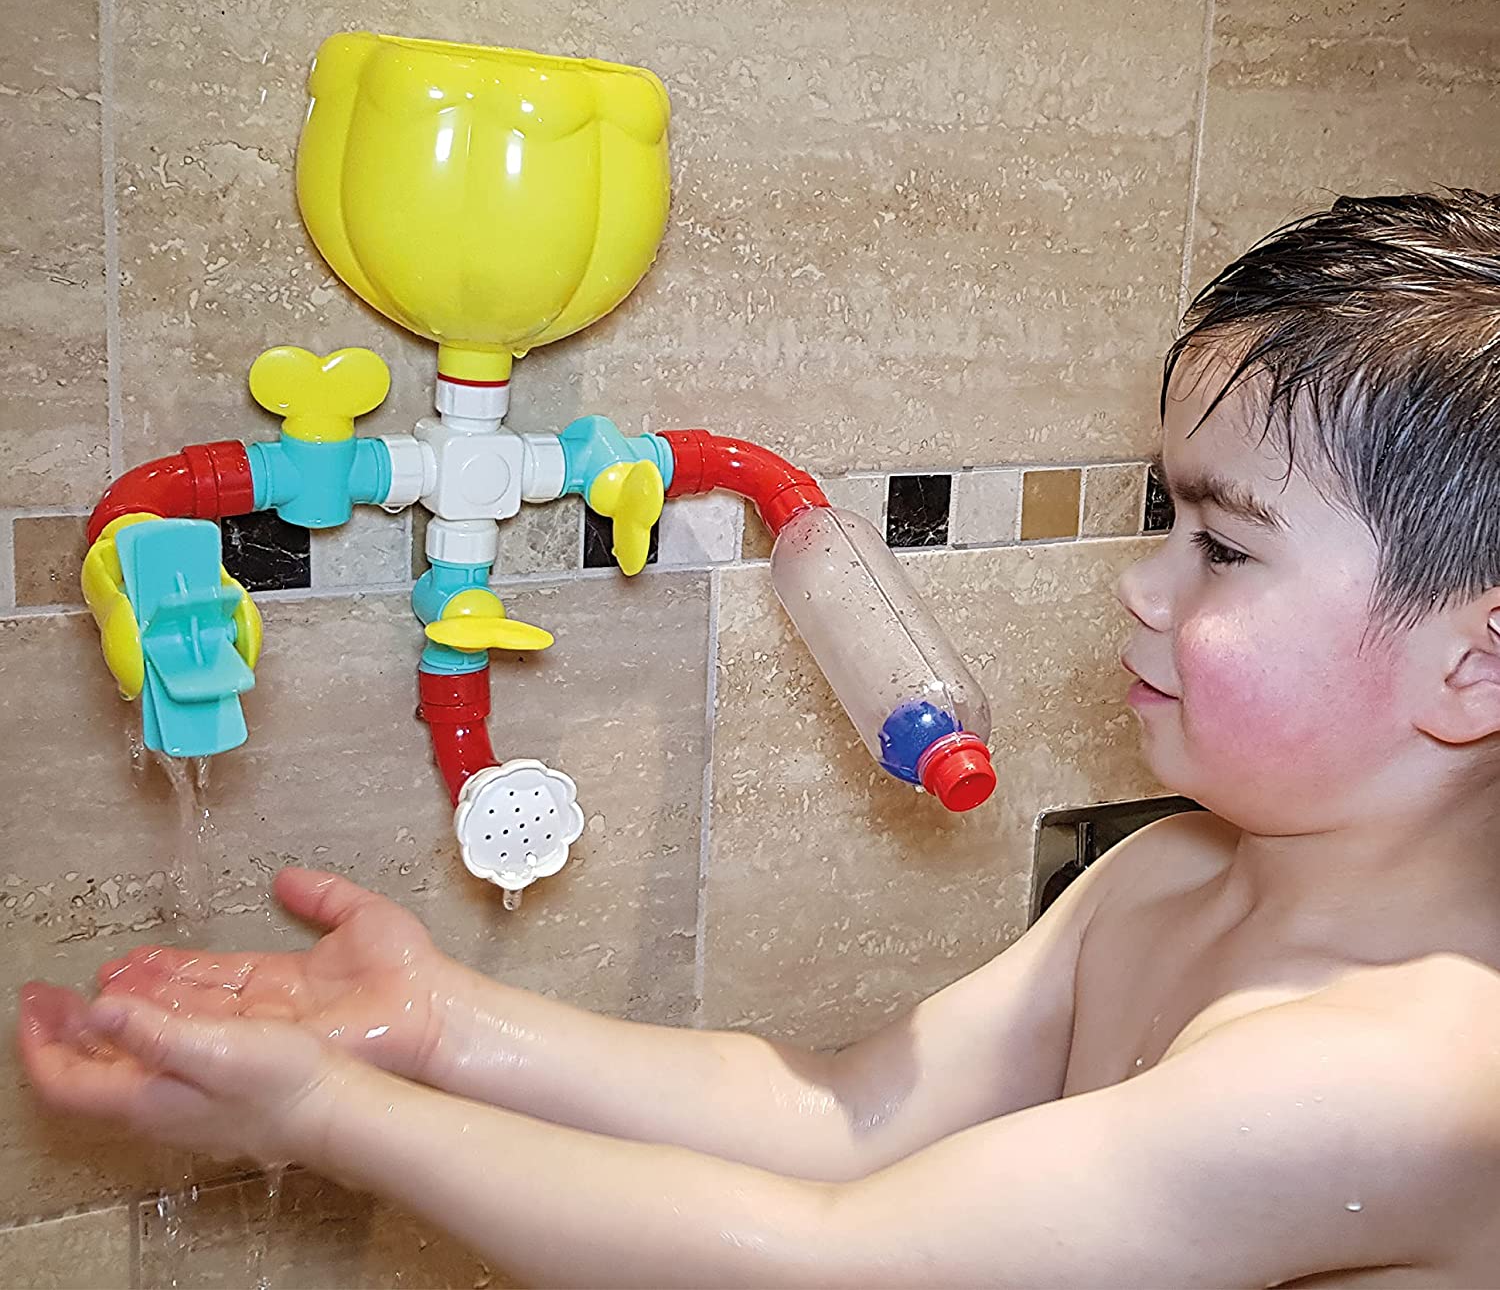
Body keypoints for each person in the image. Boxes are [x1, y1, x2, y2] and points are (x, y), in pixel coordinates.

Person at [19, 191, 1500, 1287]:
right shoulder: (1172, 877)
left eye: (1224, 550)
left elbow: (829, 1263)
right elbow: (851, 1123)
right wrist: (443, 1024)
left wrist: (334, 1116)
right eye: (1158, 516)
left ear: (1476, 664)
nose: (1142, 579)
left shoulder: (1390, 1077)